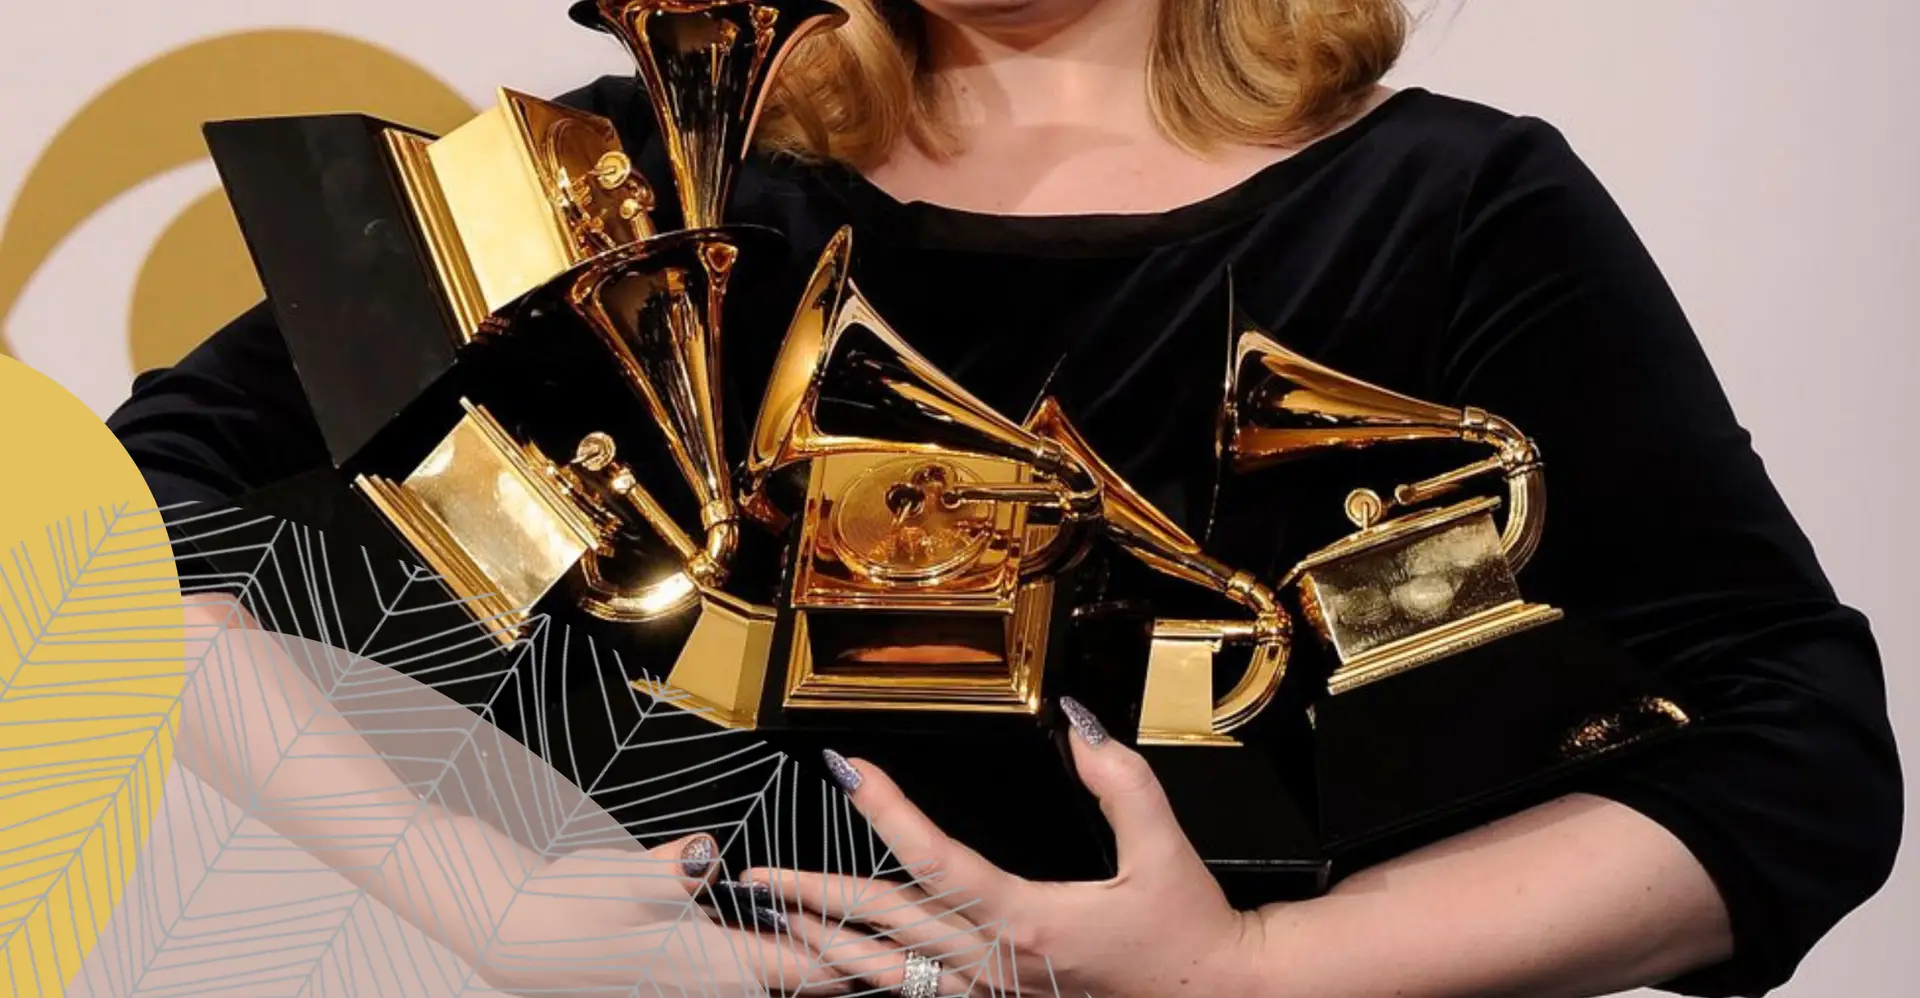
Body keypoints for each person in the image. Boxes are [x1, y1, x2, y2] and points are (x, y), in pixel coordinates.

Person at [107, 0, 1903, 995]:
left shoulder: (1455, 207)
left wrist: (1259, 971)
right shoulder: (647, 173)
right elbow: (108, 526)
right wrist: (486, 900)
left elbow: (1792, 751)